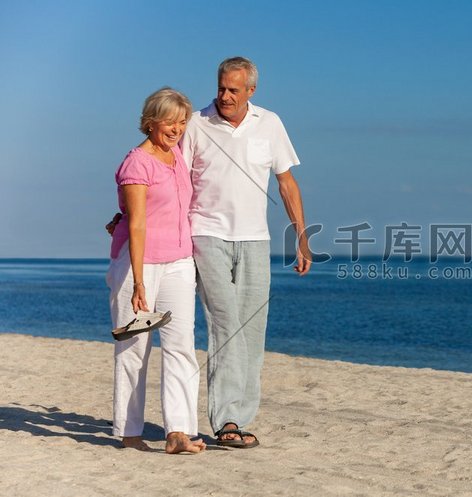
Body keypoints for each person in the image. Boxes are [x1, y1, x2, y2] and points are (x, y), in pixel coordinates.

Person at [180, 56, 311, 448]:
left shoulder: (269, 124)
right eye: (220, 88)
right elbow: (176, 182)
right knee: (225, 323)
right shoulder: (196, 124)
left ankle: (242, 415)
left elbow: (286, 182)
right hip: (206, 234)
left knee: (253, 330)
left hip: (256, 240)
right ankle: (226, 421)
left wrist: (301, 237)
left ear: (251, 90)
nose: (224, 96)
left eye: (233, 90)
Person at [106, 88, 206, 454]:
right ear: (151, 122)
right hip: (140, 264)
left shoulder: (176, 157)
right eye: (170, 121)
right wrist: (137, 282)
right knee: (134, 348)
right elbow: (136, 225)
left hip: (179, 261)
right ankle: (130, 433)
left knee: (181, 346)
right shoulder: (137, 163)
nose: (177, 129)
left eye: (182, 122)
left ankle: (178, 431)